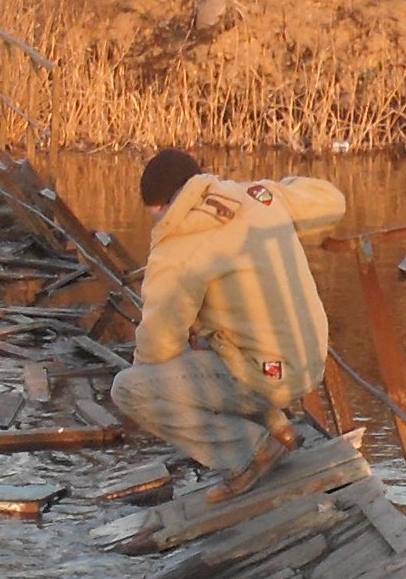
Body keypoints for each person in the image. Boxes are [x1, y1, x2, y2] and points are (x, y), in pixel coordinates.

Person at [108, 148, 348, 489]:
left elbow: (158, 348)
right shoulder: (259, 197)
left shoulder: (178, 244)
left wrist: (161, 377)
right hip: (309, 365)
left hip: (265, 378)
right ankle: (280, 430)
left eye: (155, 215)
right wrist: (273, 190)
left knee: (130, 389)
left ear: (161, 207)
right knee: (224, 341)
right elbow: (332, 202)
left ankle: (249, 451)